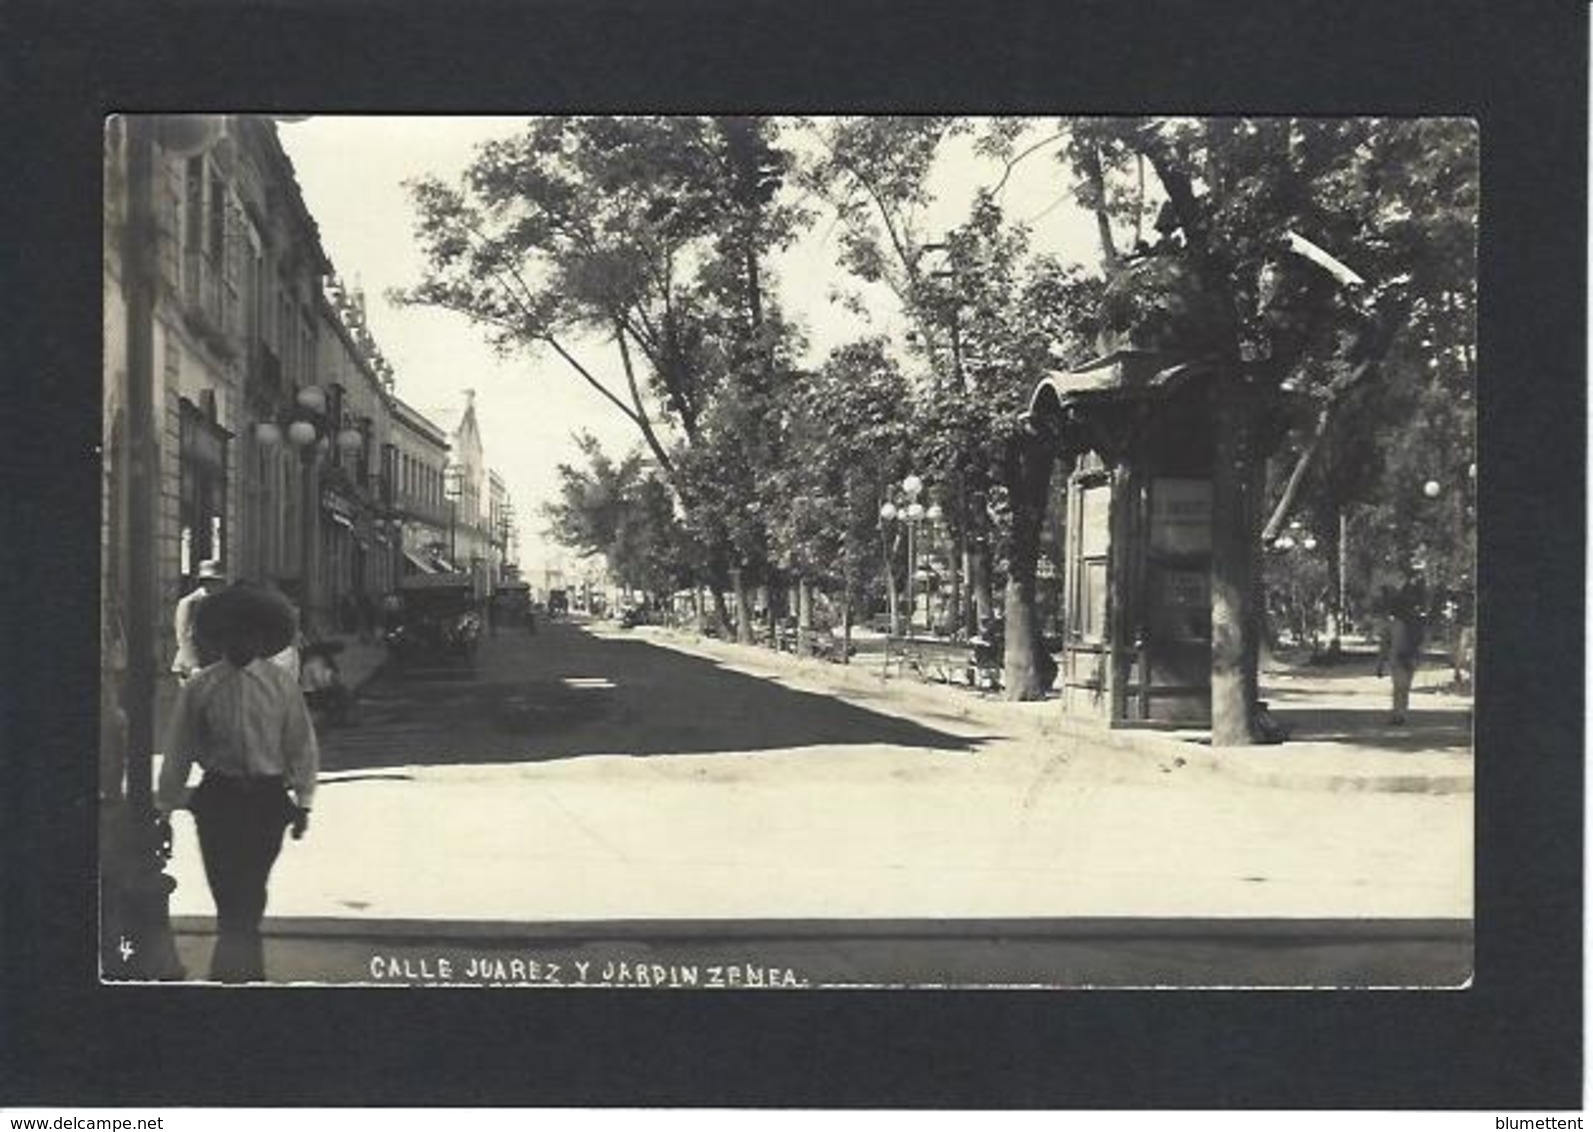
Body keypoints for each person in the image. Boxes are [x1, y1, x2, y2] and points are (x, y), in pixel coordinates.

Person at [156, 589, 319, 983]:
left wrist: (303, 802)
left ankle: (235, 971)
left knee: (251, 888)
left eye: (251, 634)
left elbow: (301, 743)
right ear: (222, 637)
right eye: (234, 634)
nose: (243, 642)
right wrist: (164, 808)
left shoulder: (281, 686)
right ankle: (241, 971)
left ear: (263, 639)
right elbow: (179, 749)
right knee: (226, 889)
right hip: (218, 800)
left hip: (266, 800)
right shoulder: (201, 688)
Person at [1377, 580, 1426, 725]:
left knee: (1398, 687)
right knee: (1405, 688)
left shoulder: (1392, 624)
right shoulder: (1415, 622)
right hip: (1411, 656)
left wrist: (1380, 664)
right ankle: (1402, 713)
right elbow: (1422, 640)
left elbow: (1384, 644)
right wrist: (1419, 655)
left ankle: (1397, 713)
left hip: (1396, 657)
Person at [170, 559, 225, 683]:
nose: (216, 585)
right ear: (203, 582)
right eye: (211, 581)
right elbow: (184, 636)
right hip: (191, 667)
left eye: (218, 582)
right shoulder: (189, 603)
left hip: (212, 663)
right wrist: (194, 666)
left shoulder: (219, 603)